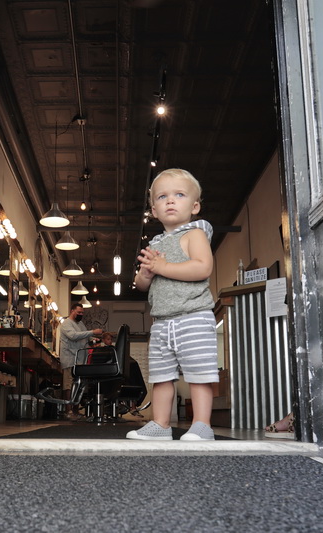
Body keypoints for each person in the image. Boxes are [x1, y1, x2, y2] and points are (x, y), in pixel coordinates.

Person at [127, 168, 218, 441]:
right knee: (161, 376)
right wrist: (145, 273)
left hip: (193, 316)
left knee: (199, 374)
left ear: (195, 206)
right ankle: (161, 424)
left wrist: (163, 266)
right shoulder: (156, 244)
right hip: (163, 321)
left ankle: (202, 425)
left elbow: (203, 268)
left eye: (179, 195)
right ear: (153, 209)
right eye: (162, 196)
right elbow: (142, 286)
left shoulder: (194, 235)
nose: (170, 201)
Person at [58, 303, 103, 419]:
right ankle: (68, 411)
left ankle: (76, 411)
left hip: (79, 359)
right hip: (69, 358)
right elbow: (73, 336)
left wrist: (94, 339)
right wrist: (92, 332)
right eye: (79, 312)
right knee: (68, 385)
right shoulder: (66, 324)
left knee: (78, 385)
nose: (81, 314)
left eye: (82, 313)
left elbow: (86, 338)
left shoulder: (81, 324)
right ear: (72, 311)